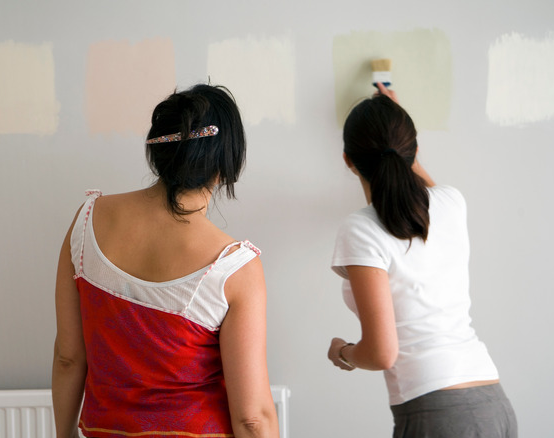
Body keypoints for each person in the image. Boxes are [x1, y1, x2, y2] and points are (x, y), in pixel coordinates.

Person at [52, 84, 279, 438]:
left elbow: (68, 359)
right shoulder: (234, 268)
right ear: (225, 160)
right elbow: (252, 418)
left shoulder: (88, 221)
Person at [328, 83, 517, 437]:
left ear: (348, 161)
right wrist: (398, 130)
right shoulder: (451, 202)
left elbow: (382, 354)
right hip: (494, 403)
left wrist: (343, 352)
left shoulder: (361, 230)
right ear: (414, 149)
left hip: (437, 415)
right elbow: (419, 177)